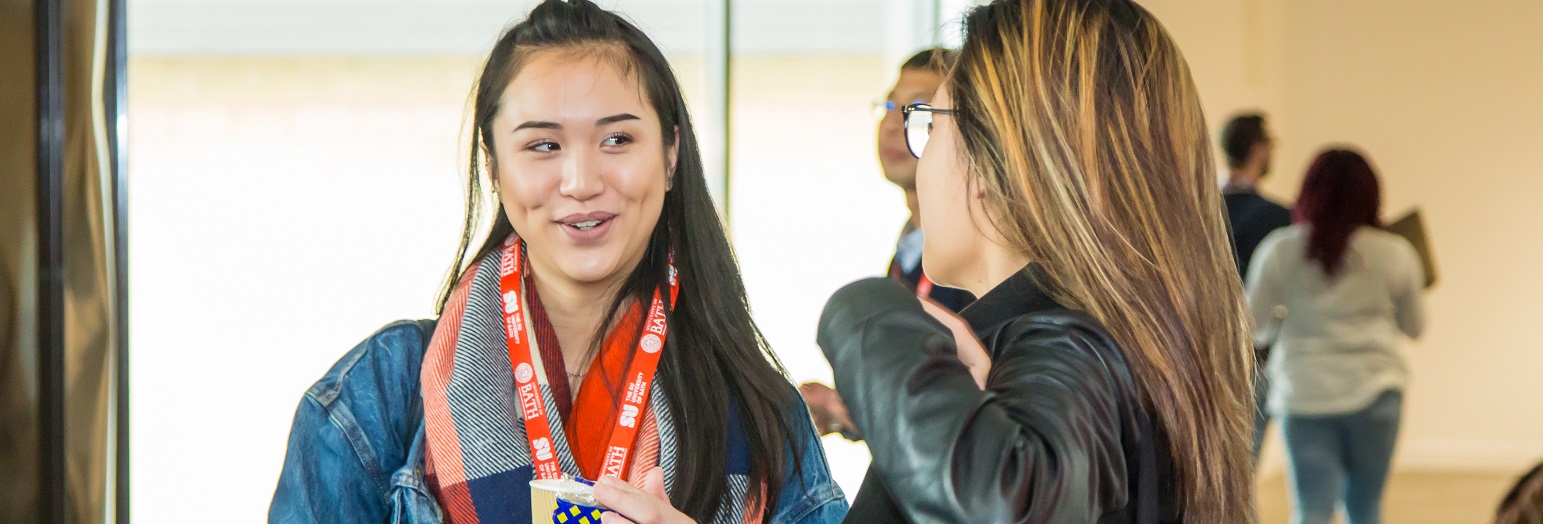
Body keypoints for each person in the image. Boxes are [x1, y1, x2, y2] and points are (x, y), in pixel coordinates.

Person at [268, 1, 847, 523]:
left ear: (671, 156)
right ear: (494, 168)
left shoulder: (760, 410)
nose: (581, 181)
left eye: (617, 140)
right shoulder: (379, 395)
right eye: (543, 145)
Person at [817, 0, 1257, 521]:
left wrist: (868, 313)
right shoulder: (1084, 340)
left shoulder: (1067, 339)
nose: (921, 152)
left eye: (929, 124)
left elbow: (1006, 505)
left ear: (992, 160)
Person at [800, 48, 974, 440]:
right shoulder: (909, 250)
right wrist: (846, 409)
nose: (893, 125)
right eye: (889, 106)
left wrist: (852, 410)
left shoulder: (972, 262)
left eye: (917, 109)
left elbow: (956, 416)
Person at [1245, 148, 1426, 524]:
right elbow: (1415, 328)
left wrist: (1287, 320)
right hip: (1377, 392)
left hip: (1304, 393)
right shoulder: (1395, 253)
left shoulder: (1280, 250)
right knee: (1365, 508)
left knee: (1310, 509)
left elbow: (1254, 326)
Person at [1219, 112, 1291, 462]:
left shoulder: (1192, 211)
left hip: (1192, 356)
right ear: (1259, 150)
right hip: (1253, 359)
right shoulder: (1280, 220)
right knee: (1244, 474)